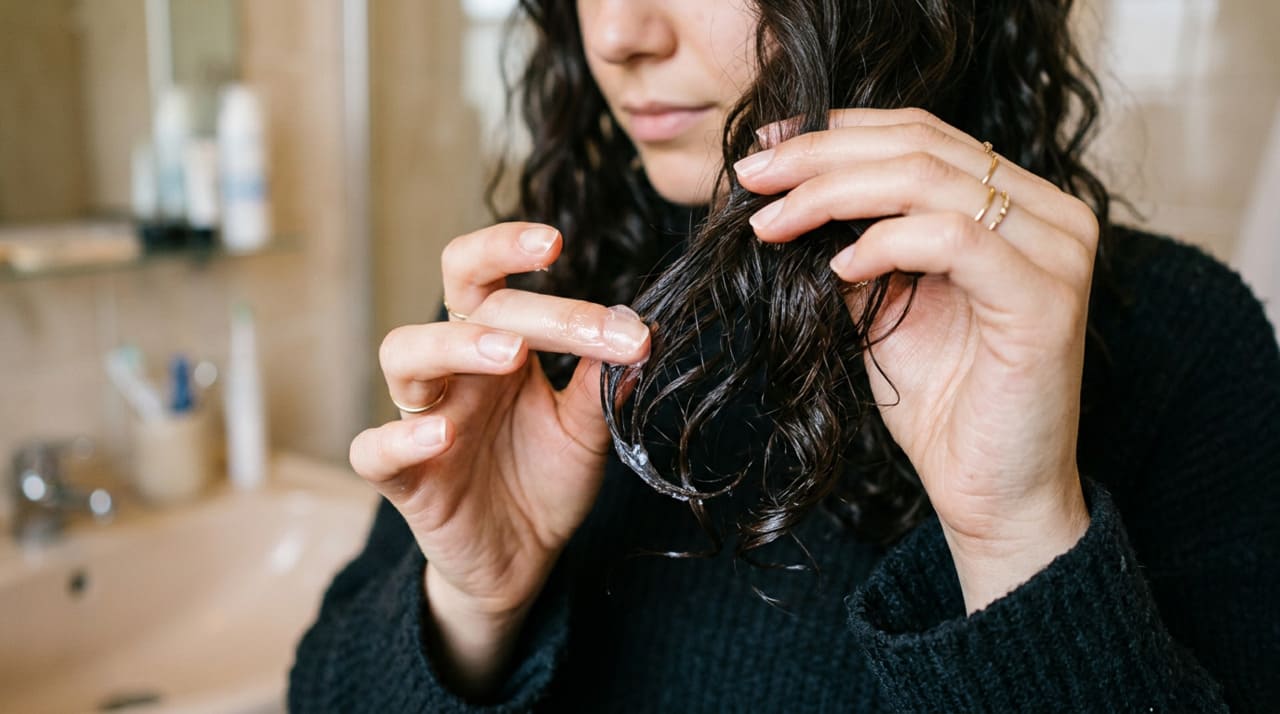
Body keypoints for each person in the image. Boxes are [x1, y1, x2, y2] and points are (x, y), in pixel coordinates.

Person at [289, 1, 1280, 711]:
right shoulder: (541, 316)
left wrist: (1016, 539)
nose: (616, 33)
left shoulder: (1178, 341)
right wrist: (469, 608)